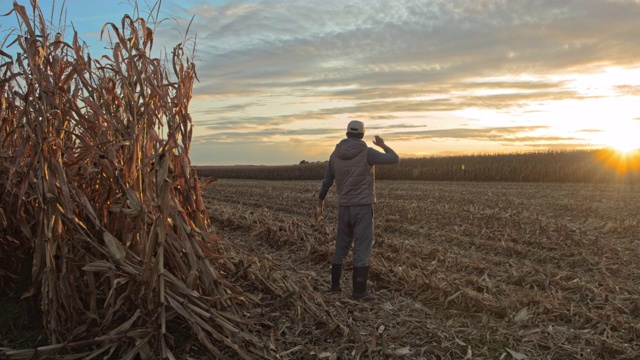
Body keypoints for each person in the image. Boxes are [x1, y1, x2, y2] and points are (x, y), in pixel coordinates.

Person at [316, 120, 400, 301]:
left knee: (341, 245)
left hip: (344, 207)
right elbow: (395, 158)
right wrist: (383, 145)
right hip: (362, 206)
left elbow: (327, 181)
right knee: (362, 246)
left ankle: (335, 287)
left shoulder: (334, 155)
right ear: (362, 135)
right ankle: (359, 292)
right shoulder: (367, 153)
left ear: (347, 134)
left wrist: (320, 201)